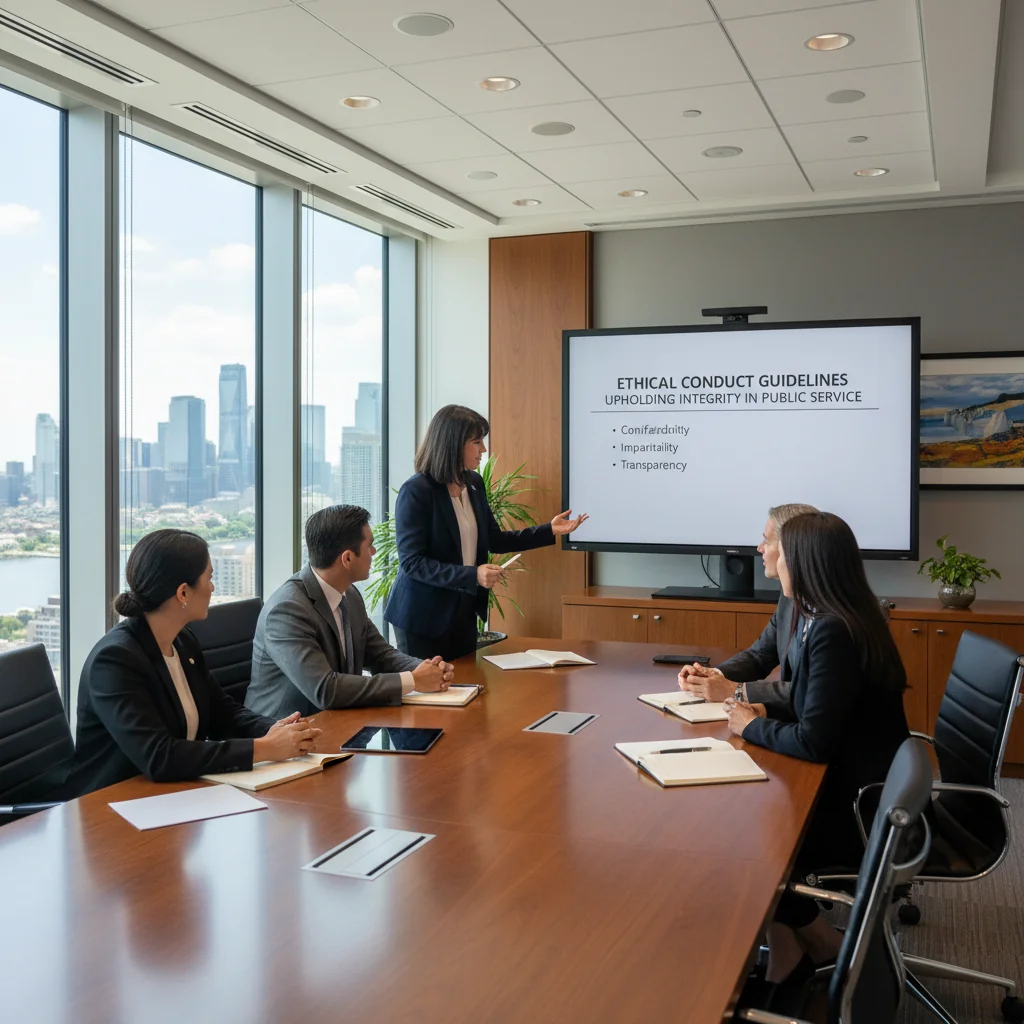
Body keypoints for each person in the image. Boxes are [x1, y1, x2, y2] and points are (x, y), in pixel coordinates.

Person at [722, 511, 909, 1009]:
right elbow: (815, 704)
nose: (767, 554)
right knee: (749, 820)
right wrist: (761, 707)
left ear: (801, 561)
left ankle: (824, 945)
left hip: (858, 806)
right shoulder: (835, 615)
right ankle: (790, 955)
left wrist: (749, 725)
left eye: (775, 547)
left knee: (747, 845)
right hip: (859, 781)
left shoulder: (831, 630)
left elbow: (813, 742)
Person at [65, 530, 321, 799]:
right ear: (183, 592)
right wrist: (265, 748)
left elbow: (222, 712)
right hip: (111, 805)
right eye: (209, 578)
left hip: (174, 795)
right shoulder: (115, 661)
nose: (213, 587)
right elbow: (159, 756)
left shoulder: (182, 641)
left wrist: (276, 730)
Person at [385, 404, 589, 661]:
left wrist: (548, 530)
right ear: (453, 444)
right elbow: (413, 563)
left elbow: (494, 539)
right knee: (429, 695)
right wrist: (473, 575)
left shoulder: (473, 483)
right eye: (477, 441)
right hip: (422, 616)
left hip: (463, 611)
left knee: (467, 685)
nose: (483, 449)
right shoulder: (416, 491)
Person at [246, 504, 453, 720]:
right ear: (347, 558)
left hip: (337, 721)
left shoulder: (350, 594)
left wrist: (426, 669)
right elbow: (325, 690)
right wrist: (413, 680)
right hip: (284, 733)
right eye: (369, 546)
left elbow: (380, 655)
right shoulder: (288, 610)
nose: (374, 552)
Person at [678, 503, 817, 705]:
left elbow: (814, 693)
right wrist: (712, 675)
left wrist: (735, 690)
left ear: (793, 547)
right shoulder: (789, 597)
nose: (759, 548)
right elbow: (760, 655)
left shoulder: (834, 617)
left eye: (767, 541)